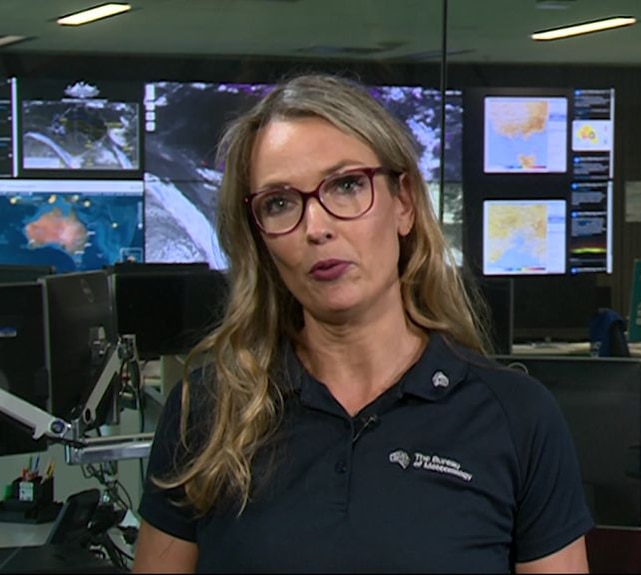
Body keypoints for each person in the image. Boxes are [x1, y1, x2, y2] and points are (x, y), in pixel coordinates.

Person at [133, 73, 593, 573]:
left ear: (404, 204)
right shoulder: (208, 411)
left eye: (347, 185)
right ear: (260, 239)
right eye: (279, 203)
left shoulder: (517, 418)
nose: (317, 228)